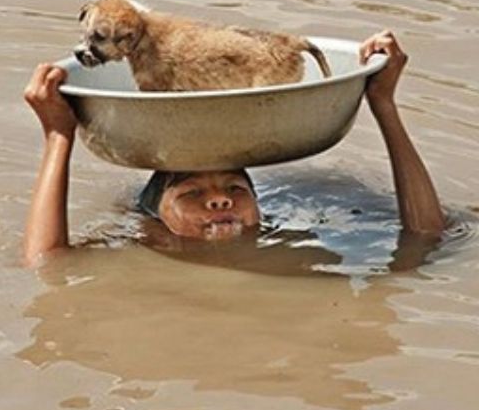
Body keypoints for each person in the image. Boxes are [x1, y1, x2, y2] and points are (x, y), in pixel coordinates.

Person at [22, 30, 446, 266]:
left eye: (237, 189)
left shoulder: (290, 242)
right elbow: (47, 266)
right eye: (191, 193)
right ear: (154, 227)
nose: (220, 199)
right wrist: (58, 137)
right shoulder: (140, 249)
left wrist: (384, 105)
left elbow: (425, 238)